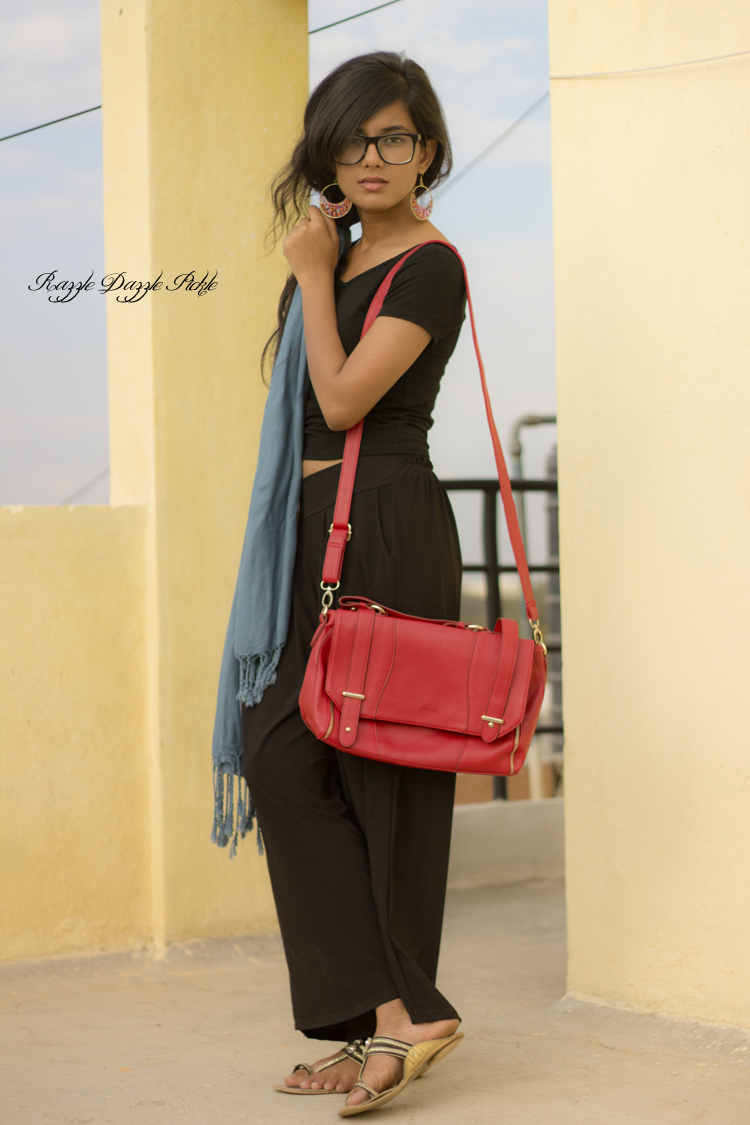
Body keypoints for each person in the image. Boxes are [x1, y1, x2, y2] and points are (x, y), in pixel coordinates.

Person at [240, 50, 468, 1115]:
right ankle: (371, 1012)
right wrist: (321, 269)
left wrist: (313, 277)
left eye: (394, 137)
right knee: (282, 757)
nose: (372, 156)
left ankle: (401, 1014)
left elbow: (341, 402)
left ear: (427, 151)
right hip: (314, 532)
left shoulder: (427, 266)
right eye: (352, 138)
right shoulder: (337, 258)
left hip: (382, 525)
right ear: (325, 153)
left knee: (381, 776)